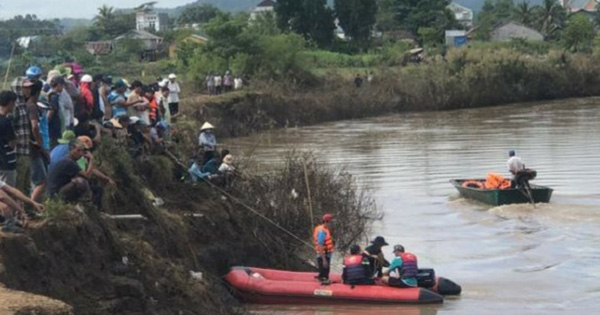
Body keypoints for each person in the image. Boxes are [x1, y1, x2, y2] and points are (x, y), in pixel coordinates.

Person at [11, 77, 34, 195]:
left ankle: (28, 210)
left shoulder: (23, 104)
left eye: (29, 87)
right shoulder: (15, 106)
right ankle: (19, 212)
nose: (29, 90)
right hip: (18, 151)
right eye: (26, 87)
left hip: (25, 150)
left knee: (27, 184)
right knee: (19, 184)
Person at [0, 91, 18, 187]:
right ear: (10, 103)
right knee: (8, 191)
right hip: (6, 160)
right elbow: (12, 143)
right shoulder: (6, 122)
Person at [313, 213, 335, 285]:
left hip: (326, 254)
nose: (332, 224)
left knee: (325, 271)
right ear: (327, 222)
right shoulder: (322, 231)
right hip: (323, 255)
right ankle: (323, 281)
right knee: (325, 271)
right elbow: (320, 244)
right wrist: (324, 260)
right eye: (331, 222)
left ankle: (322, 277)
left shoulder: (324, 229)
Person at [47, 76, 66, 147]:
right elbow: (50, 112)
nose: (63, 88)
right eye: (62, 86)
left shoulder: (51, 94)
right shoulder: (54, 96)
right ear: (59, 85)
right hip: (54, 128)